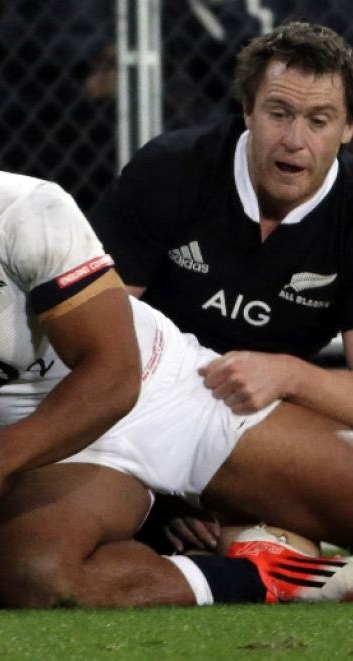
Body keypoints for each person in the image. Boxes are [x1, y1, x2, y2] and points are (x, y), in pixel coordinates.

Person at [0, 74, 353, 609]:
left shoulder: (16, 213)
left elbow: (114, 374)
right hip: (55, 456)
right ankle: (266, 575)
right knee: (32, 574)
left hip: (169, 397)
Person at [91, 20, 353, 553]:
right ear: (248, 111)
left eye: (319, 120)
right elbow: (96, 348)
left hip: (260, 426)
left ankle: (256, 542)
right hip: (137, 413)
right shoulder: (172, 170)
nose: (294, 140)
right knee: (38, 549)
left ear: (348, 129)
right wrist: (165, 495)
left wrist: (290, 375)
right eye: (278, 113)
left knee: (270, 538)